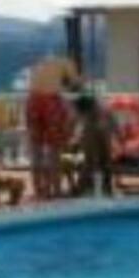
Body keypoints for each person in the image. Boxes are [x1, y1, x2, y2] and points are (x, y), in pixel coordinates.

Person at [26, 56, 80, 200]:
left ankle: (40, 192)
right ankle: (55, 191)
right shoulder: (67, 63)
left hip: (32, 101)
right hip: (49, 102)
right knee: (54, 151)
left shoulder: (41, 64)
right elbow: (75, 83)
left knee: (36, 150)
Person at [71, 94, 114, 196]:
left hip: (94, 148)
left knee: (95, 162)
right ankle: (101, 188)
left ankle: (86, 188)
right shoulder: (92, 122)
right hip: (91, 149)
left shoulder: (97, 121)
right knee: (94, 162)